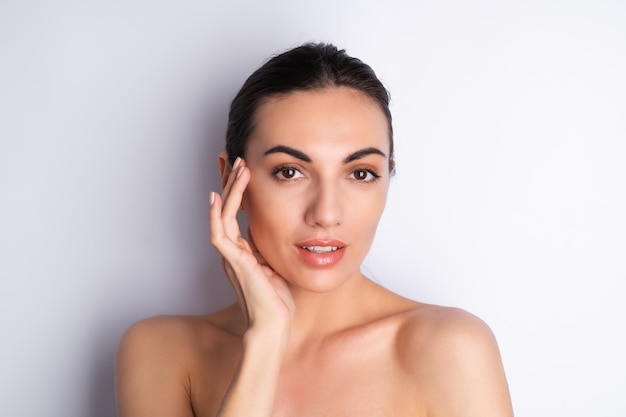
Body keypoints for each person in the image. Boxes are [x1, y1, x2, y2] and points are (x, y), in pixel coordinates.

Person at [115, 43, 514, 417]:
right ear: (232, 178)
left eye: (360, 173)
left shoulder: (450, 349)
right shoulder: (163, 351)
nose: (326, 213)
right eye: (290, 172)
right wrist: (266, 339)